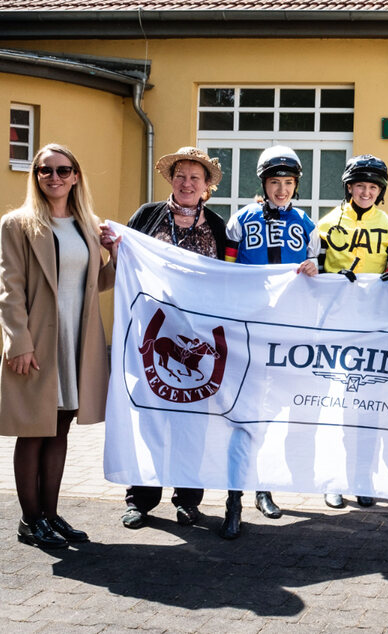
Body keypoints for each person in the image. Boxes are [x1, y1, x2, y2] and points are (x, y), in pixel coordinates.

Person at [102, 146, 228, 532]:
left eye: (195, 177)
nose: (187, 183)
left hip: (200, 337)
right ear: (171, 179)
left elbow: (231, 279)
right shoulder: (146, 216)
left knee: (193, 423)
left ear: (206, 186)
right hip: (150, 334)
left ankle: (188, 501)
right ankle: (140, 500)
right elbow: (125, 266)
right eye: (180, 175)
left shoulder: (219, 227)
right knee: (148, 417)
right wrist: (115, 249)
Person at [0, 144, 115, 548]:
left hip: (77, 340)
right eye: (45, 170)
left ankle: (50, 514)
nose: (55, 177)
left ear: (76, 176)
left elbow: (95, 283)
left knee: (60, 427)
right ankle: (30, 521)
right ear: (35, 177)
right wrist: (18, 343)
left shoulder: (87, 224)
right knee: (33, 430)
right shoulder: (16, 224)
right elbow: (9, 288)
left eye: (63, 170)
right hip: (37, 342)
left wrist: (116, 256)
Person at [219, 145, 320, 538]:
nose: (281, 190)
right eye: (275, 182)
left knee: (273, 417)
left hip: (287, 335)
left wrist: (317, 266)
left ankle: (264, 489)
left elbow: (320, 276)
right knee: (245, 418)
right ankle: (233, 500)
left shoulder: (307, 224)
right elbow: (224, 274)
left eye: (288, 183)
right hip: (249, 333)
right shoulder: (240, 220)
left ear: (296, 185)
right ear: (263, 183)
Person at [317, 153, 388, 509]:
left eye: (373, 187)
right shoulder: (325, 223)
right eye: (360, 186)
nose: (366, 192)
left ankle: (363, 477)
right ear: (349, 187)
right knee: (336, 407)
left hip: (373, 327)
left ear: (380, 191)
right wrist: (333, 279)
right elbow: (314, 271)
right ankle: (332, 480)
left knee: (368, 407)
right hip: (337, 326)